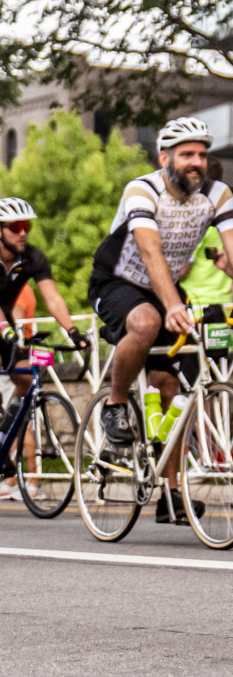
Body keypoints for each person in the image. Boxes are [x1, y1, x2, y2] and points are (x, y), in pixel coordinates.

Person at [90, 116, 233, 452]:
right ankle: (116, 404)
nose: (196, 162)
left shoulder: (218, 193)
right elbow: (149, 250)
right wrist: (171, 305)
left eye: (201, 154)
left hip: (164, 286)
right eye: (186, 155)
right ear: (164, 158)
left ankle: (171, 496)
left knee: (168, 387)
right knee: (146, 321)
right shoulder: (143, 189)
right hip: (117, 281)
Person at [0, 199, 87, 464]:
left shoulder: (34, 257)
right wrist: (8, 333)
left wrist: (73, 332)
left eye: (26, 226)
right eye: (15, 226)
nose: (23, 232)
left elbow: (53, 298)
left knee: (25, 378)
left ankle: (4, 427)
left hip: (3, 322)